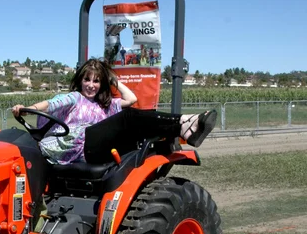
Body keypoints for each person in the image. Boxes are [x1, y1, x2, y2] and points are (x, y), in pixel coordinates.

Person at [11, 58, 217, 165]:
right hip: (74, 145)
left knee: (131, 117)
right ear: (80, 81)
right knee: (127, 118)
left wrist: (112, 79)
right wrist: (28, 110)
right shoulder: (74, 98)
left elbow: (132, 99)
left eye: (96, 80)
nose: (91, 85)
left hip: (94, 148)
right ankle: (183, 124)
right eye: (87, 79)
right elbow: (49, 104)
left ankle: (182, 126)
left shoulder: (106, 105)